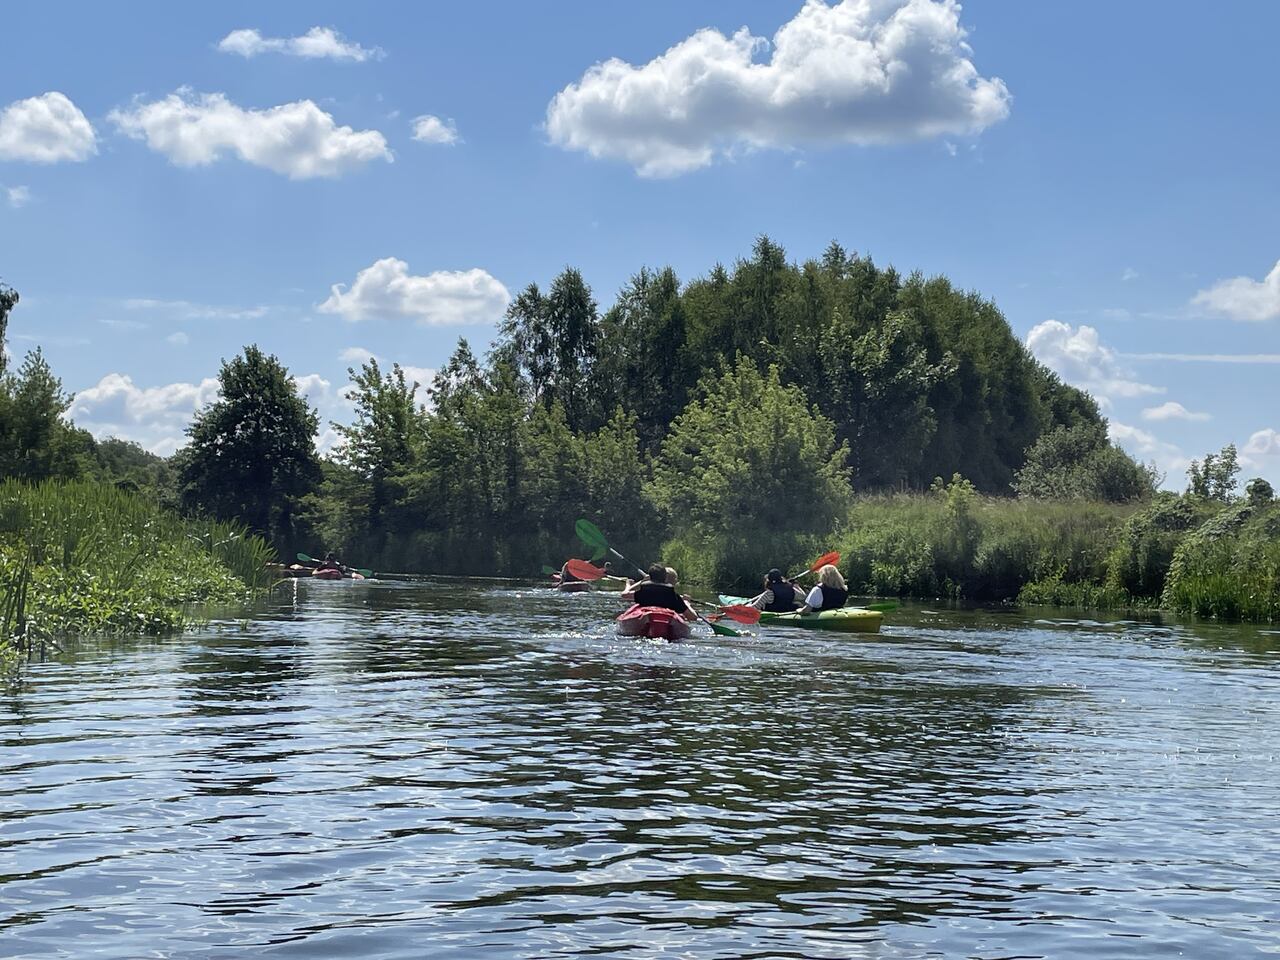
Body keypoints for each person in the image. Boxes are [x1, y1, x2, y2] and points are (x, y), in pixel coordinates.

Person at [623, 563, 696, 618]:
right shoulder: (673, 596)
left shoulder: (643, 592)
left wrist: (629, 584)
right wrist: (686, 603)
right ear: (665, 577)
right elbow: (693, 617)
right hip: (666, 618)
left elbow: (625, 595)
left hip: (646, 616)